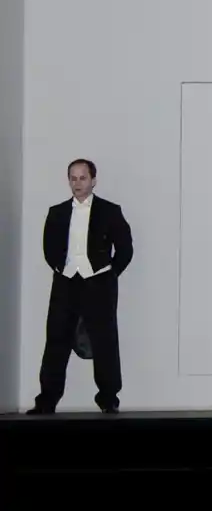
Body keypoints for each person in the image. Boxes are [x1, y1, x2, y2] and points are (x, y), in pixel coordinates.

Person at [28, 159, 133, 414]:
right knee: (56, 340)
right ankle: (47, 400)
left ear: (93, 180)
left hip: (98, 284)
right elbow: (49, 248)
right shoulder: (57, 212)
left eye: (82, 178)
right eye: (73, 178)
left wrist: (108, 274)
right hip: (65, 284)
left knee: (105, 341)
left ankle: (108, 399)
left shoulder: (110, 211)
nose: (77, 183)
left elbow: (125, 249)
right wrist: (61, 270)